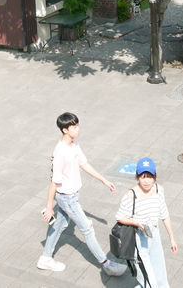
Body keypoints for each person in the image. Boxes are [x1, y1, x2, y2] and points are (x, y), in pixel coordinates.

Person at [38, 113, 126, 275]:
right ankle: (107, 264)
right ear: (65, 130)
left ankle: (45, 258)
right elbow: (53, 182)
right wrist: (49, 207)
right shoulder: (60, 152)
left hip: (71, 196)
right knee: (87, 229)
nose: (78, 129)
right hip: (67, 198)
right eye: (74, 127)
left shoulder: (74, 143)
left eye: (78, 125)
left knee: (59, 225)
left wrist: (103, 180)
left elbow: (83, 163)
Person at [116, 158, 178, 288]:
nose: (146, 181)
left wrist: (172, 238)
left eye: (149, 177)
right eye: (143, 177)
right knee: (149, 282)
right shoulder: (131, 195)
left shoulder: (159, 190)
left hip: (154, 235)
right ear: (137, 177)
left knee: (161, 277)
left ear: (155, 177)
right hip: (139, 239)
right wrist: (136, 223)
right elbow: (120, 217)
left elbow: (164, 215)